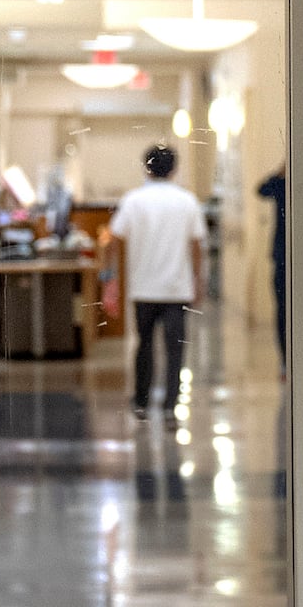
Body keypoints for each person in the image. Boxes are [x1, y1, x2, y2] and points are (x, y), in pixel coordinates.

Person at [104, 144, 206, 426]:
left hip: (144, 288)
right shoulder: (187, 201)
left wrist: (108, 278)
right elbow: (197, 245)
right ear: (174, 169)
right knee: (175, 350)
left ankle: (141, 403)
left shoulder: (134, 200)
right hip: (177, 289)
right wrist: (198, 281)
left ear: (146, 167)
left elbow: (112, 240)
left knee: (144, 344)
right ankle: (170, 408)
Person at [257, 162, 287, 375]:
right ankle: (285, 359)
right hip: (281, 255)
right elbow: (261, 190)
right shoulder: (281, 184)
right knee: (283, 310)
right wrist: (280, 171)